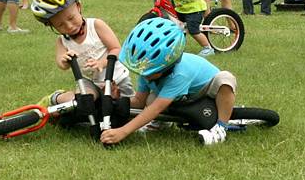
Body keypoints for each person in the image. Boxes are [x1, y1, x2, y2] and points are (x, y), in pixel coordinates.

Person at [100, 18, 240, 146]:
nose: (143, 75)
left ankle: (221, 128)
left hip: (207, 90)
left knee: (225, 79)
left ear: (167, 66)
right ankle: (160, 124)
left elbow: (156, 108)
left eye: (148, 72)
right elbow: (139, 101)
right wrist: (117, 99)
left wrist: (123, 132)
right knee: (151, 98)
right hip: (184, 96)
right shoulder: (147, 69)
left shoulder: (180, 73)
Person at [30, 0, 134, 108]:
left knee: (127, 107)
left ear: (78, 7)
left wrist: (102, 62)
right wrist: (65, 59)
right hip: (89, 82)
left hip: (116, 78)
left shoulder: (96, 26)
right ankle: (56, 98)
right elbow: (62, 64)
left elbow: (117, 49)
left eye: (71, 18)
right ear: (51, 25)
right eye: (60, 25)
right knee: (84, 102)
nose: (69, 26)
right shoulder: (62, 41)